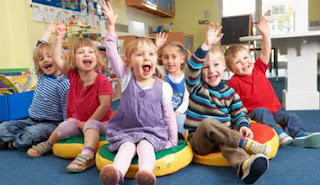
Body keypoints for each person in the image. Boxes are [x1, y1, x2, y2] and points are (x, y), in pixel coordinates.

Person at [99, 1, 177, 185]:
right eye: (140, 55)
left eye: (150, 54)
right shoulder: (126, 79)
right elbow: (111, 53)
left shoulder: (163, 87)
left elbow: (169, 115)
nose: (146, 58)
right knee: (126, 147)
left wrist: (172, 139)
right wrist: (111, 26)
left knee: (145, 147)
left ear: (155, 60)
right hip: (127, 130)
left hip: (151, 132)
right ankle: (116, 174)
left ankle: (145, 173)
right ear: (128, 62)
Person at [185, 23, 270, 184]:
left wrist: (244, 125)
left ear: (224, 67)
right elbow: (192, 67)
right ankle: (245, 143)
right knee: (208, 123)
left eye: (216, 65)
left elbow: (239, 113)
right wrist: (206, 45)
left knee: (230, 145)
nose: (211, 70)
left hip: (224, 136)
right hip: (200, 140)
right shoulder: (196, 87)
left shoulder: (231, 93)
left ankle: (245, 166)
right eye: (205, 67)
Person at [26, 22, 113, 173]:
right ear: (73, 59)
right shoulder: (73, 75)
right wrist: (58, 36)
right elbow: (56, 57)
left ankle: (87, 154)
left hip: (99, 122)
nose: (86, 54)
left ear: (96, 57)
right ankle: (48, 143)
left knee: (90, 126)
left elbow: (104, 106)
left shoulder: (103, 81)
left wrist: (88, 121)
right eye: (81, 52)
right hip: (78, 121)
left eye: (90, 52)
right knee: (65, 125)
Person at [225, 16, 320, 148]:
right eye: (237, 62)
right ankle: (278, 133)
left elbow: (265, 51)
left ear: (251, 58)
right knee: (262, 112)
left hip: (276, 110)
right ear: (231, 69)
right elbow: (229, 100)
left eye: (246, 58)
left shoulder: (258, 67)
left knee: (291, 116)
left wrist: (266, 35)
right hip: (255, 113)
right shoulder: (234, 81)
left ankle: (300, 135)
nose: (244, 63)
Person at [0, 23, 69, 151]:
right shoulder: (42, 76)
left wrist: (65, 130)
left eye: (50, 57)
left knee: (32, 134)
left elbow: (67, 110)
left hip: (51, 124)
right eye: (41, 59)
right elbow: (36, 51)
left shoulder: (64, 83)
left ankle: (12, 143)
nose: (45, 60)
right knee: (3, 127)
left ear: (60, 58)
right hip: (30, 119)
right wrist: (48, 31)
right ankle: (14, 139)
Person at [156, 34, 189, 136]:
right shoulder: (161, 74)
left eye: (174, 57)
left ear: (182, 59)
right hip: (162, 114)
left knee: (182, 124)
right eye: (166, 57)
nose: (170, 61)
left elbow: (185, 102)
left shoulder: (186, 79)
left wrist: (175, 115)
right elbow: (151, 61)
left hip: (178, 114)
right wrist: (156, 48)